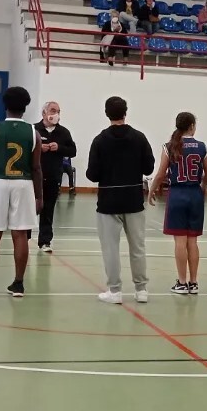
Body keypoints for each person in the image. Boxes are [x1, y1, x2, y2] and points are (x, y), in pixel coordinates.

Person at [0, 86, 42, 298]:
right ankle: (18, 284)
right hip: (23, 183)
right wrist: (39, 195)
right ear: (25, 107)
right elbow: (36, 167)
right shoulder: (34, 133)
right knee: (20, 234)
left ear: (5, 105)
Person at [87, 96, 156, 304]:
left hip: (108, 201)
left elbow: (92, 174)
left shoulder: (99, 140)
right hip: (134, 200)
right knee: (138, 246)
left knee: (111, 248)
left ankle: (115, 291)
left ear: (107, 114)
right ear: (125, 112)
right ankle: (141, 290)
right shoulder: (139, 138)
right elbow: (149, 168)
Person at [150, 112, 207, 295]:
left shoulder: (169, 146)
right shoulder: (202, 147)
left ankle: (182, 283)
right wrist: (203, 187)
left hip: (177, 194)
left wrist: (152, 189)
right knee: (193, 241)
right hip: (195, 194)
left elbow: (161, 174)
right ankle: (193, 282)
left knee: (180, 241)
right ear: (192, 126)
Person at [33, 101, 77, 253]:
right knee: (29, 209)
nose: (56, 114)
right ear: (44, 113)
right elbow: (26, 149)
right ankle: (23, 238)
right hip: (34, 177)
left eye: (58, 111)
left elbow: (73, 150)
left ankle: (45, 241)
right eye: (52, 110)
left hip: (53, 176)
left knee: (48, 209)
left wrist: (59, 148)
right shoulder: (34, 130)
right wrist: (39, 148)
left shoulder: (63, 132)